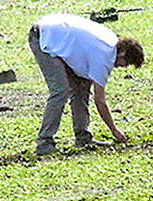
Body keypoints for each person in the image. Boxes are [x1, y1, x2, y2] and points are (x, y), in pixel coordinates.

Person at [28, 12, 145, 156]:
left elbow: (83, 55)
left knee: (81, 87)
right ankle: (44, 142)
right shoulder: (105, 58)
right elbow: (100, 101)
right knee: (60, 90)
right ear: (123, 53)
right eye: (126, 63)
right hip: (43, 36)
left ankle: (83, 137)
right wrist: (114, 130)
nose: (122, 67)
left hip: (56, 32)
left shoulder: (110, 43)